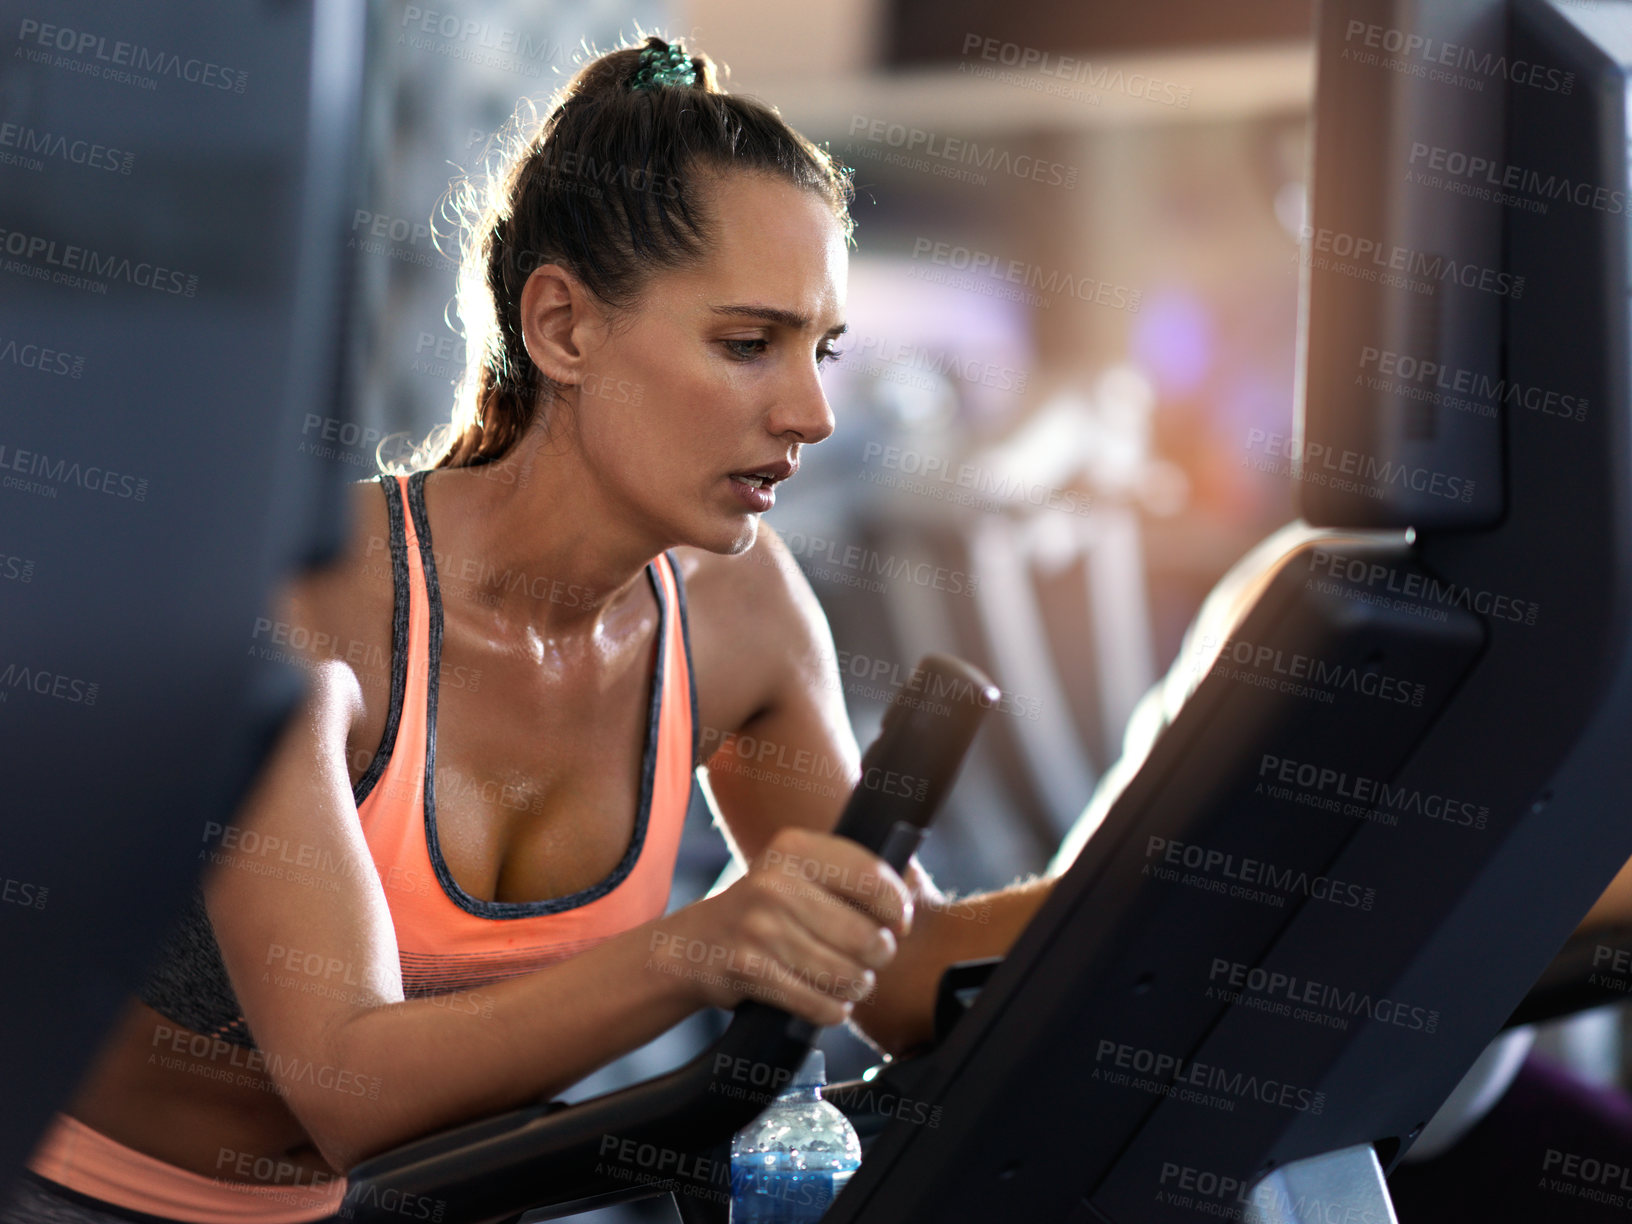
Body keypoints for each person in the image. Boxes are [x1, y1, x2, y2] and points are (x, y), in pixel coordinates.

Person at [0, 34, 1053, 1224]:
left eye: (824, 351)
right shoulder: (311, 609)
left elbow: (907, 981)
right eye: (748, 343)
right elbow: (351, 1086)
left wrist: (1172, 843)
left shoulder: (743, 619)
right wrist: (700, 948)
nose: (810, 411)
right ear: (561, 327)